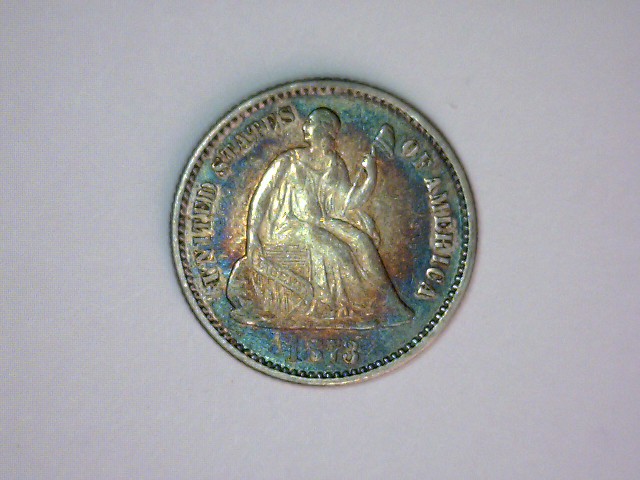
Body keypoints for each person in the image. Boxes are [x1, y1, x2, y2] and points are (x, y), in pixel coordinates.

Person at [227, 108, 412, 327]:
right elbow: (261, 198)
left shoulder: (335, 164)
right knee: (336, 249)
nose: (305, 127)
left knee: (361, 241)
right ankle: (338, 308)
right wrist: (252, 236)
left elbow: (349, 203)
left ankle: (385, 306)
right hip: (288, 227)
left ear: (324, 129)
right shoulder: (288, 161)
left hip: (320, 222)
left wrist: (370, 175)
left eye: (311, 123)